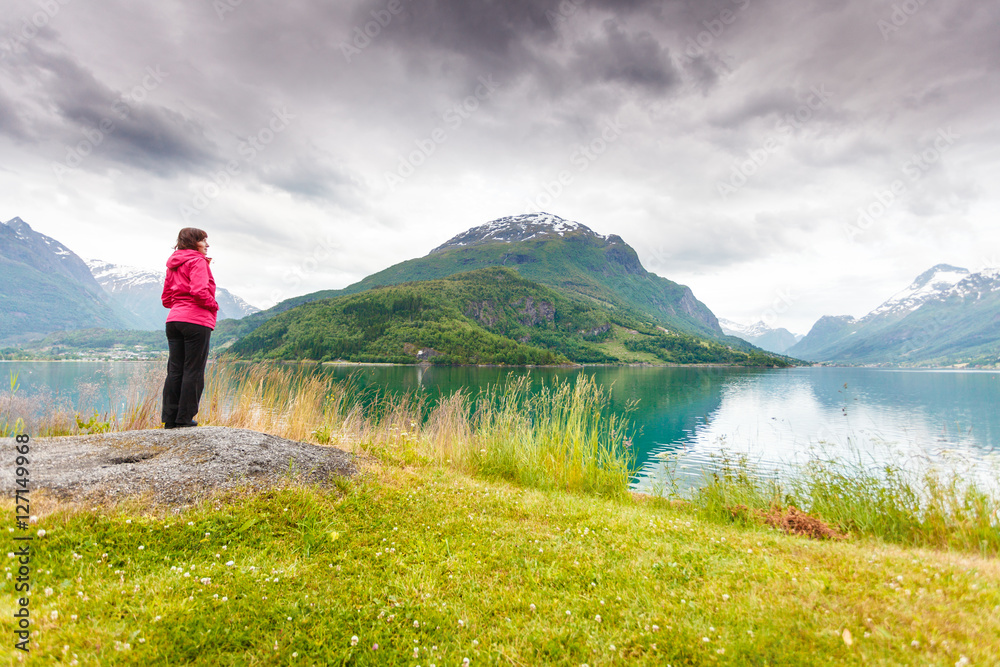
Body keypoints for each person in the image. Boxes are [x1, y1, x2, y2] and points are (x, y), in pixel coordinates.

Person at [161, 227, 219, 429]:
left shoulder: (173, 265)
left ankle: (170, 418)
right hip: (196, 321)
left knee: (175, 370)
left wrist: (180, 305)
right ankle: (184, 418)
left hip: (174, 321)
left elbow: (166, 299)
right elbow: (199, 291)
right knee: (193, 371)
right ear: (194, 242)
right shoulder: (198, 262)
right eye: (204, 240)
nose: (207, 245)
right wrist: (214, 305)